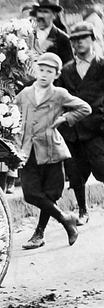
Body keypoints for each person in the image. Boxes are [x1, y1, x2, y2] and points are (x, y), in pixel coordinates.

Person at [15, 53, 90, 249]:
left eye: (49, 72)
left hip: (51, 151)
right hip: (27, 150)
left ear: (56, 75)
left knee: (50, 194)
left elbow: (84, 108)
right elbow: (12, 112)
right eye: (41, 70)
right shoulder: (24, 94)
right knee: (30, 194)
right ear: (35, 70)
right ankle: (66, 219)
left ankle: (39, 234)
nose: (44, 75)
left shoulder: (59, 94)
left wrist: (65, 118)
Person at [55, 21, 104, 226]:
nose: (78, 43)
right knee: (75, 173)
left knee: (102, 168)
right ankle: (83, 210)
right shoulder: (66, 70)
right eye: (74, 40)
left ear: (93, 40)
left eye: (83, 38)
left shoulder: (101, 66)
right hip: (72, 131)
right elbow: (58, 98)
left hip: (97, 128)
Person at [28, 0, 73, 65]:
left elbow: (68, 67)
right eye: (39, 11)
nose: (41, 16)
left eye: (45, 12)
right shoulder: (28, 34)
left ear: (54, 15)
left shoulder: (62, 38)